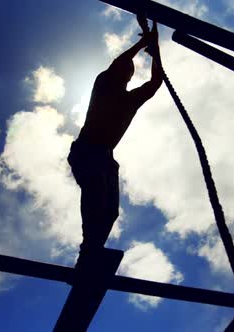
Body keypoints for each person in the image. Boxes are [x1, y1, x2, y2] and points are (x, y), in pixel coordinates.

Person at [68, 22, 162, 259]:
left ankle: (93, 250)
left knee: (110, 212)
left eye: (127, 70)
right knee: (95, 192)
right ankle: (88, 250)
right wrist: (142, 43)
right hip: (87, 150)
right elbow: (120, 62)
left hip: (104, 156)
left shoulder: (131, 99)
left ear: (129, 76)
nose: (124, 70)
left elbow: (155, 83)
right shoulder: (103, 83)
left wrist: (156, 50)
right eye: (122, 68)